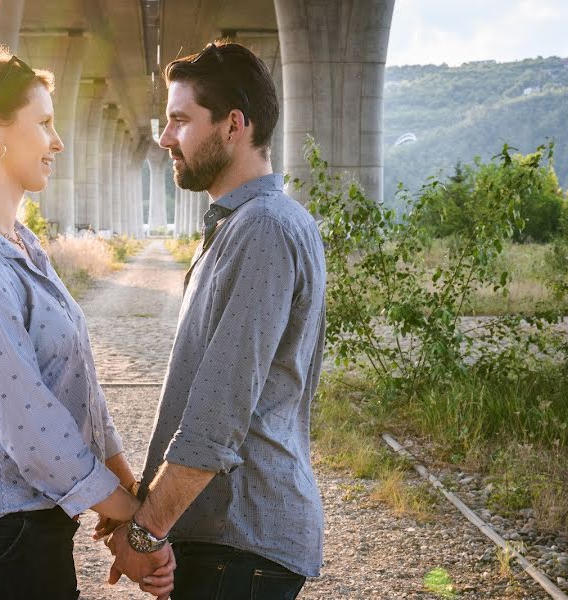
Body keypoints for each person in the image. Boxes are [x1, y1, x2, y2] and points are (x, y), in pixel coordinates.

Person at [0, 45, 175, 600]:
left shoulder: (19, 248)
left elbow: (80, 393)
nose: (57, 141)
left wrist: (126, 498)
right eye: (44, 123)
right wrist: (137, 523)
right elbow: (34, 427)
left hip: (21, 535)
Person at [101, 41, 327, 599]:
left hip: (240, 543)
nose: (165, 137)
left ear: (233, 125)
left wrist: (147, 531)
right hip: (226, 541)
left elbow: (218, 412)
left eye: (180, 120)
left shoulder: (263, 230)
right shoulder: (239, 226)